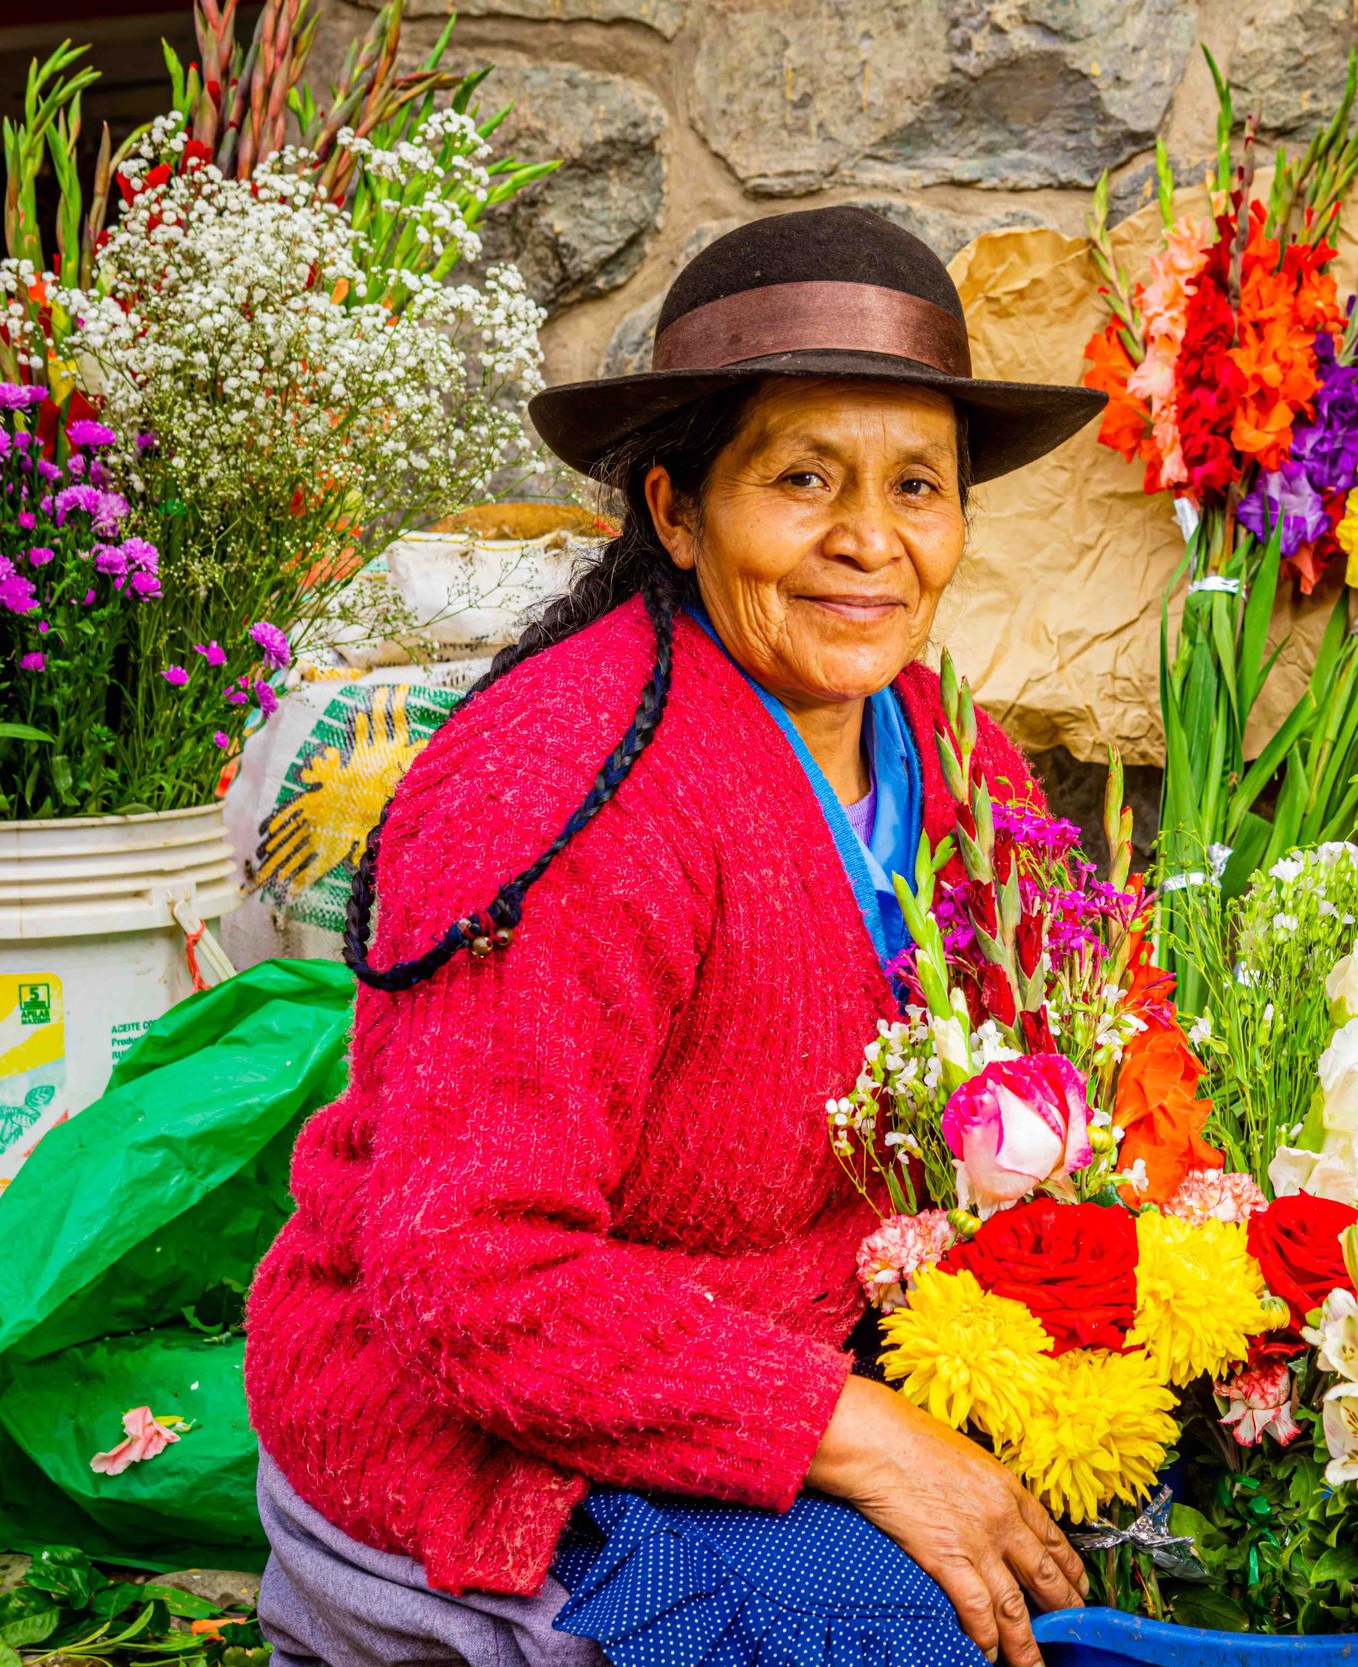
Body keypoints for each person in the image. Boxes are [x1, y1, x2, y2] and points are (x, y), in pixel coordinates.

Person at [243, 206, 1108, 1667]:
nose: (871, 543)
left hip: (806, 1344)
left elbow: (1074, 1039)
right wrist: (857, 1435)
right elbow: (469, 1273)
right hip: (504, 1422)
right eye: (802, 480)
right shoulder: (565, 791)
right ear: (676, 510)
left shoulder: (947, 751)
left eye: (919, 487)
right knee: (908, 1637)